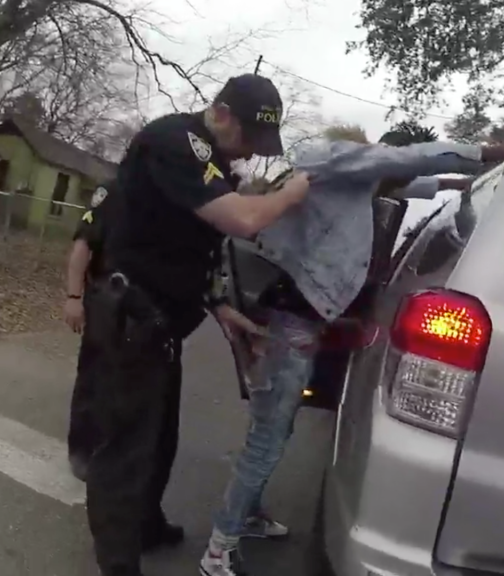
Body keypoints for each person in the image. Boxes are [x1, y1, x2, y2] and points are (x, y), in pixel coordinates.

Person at [199, 126, 504, 576]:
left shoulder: (344, 180)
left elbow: (406, 180)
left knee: (274, 431)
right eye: (371, 153)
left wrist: (462, 182)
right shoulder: (331, 158)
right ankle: (217, 550)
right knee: (267, 439)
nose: (376, 158)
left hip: (299, 319)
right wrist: (486, 152)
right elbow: (403, 162)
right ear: (357, 151)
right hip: (292, 323)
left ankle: (244, 514)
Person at [83, 73, 313, 576]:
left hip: (158, 325)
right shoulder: (177, 142)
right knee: (125, 449)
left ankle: (146, 527)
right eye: (248, 138)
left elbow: (191, 254)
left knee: (159, 438)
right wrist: (294, 192)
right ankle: (119, 564)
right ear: (222, 113)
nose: (250, 152)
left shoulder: (210, 162)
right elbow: (244, 222)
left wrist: (223, 311)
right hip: (132, 318)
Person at [62, 182, 114, 481]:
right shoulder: (114, 192)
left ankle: (110, 447)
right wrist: (73, 297)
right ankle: (81, 451)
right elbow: (84, 245)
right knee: (93, 378)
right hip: (106, 297)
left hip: (144, 309)